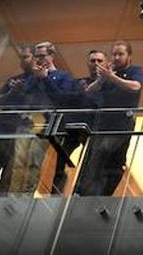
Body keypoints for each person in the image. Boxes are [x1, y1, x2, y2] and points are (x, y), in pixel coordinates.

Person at [75, 40, 143, 195]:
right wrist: (101, 79)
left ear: (129, 56)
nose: (117, 57)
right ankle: (85, 192)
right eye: (114, 54)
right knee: (92, 157)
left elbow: (135, 87)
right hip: (102, 123)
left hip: (122, 123)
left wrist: (112, 77)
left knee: (103, 152)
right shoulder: (109, 71)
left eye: (120, 54)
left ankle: (94, 193)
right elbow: (90, 91)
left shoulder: (135, 70)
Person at [9, 40, 74, 194]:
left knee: (34, 160)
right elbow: (26, 95)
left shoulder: (63, 76)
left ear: (52, 56)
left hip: (44, 122)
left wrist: (45, 78)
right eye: (37, 56)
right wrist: (24, 85)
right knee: (18, 162)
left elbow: (62, 99)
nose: (39, 59)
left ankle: (27, 195)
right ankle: (13, 195)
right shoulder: (32, 77)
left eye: (42, 56)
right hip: (27, 120)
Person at [0, 46, 39, 195]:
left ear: (35, 59)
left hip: (21, 131)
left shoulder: (39, 81)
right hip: (1, 129)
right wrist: (11, 92)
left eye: (26, 57)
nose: (22, 61)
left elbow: (38, 106)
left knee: (9, 172)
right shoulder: (14, 80)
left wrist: (21, 93)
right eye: (21, 58)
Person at [51, 49, 106, 195]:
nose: (96, 64)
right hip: (72, 127)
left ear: (105, 63)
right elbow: (64, 101)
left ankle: (81, 195)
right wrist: (79, 93)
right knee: (60, 163)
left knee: (90, 165)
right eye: (93, 61)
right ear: (87, 63)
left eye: (99, 61)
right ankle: (55, 195)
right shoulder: (77, 83)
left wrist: (87, 94)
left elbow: (103, 104)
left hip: (94, 129)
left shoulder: (108, 85)